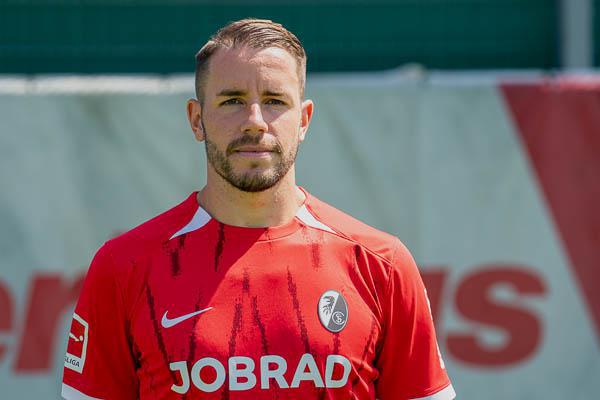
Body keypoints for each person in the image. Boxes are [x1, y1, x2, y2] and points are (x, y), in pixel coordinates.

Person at [61, 18, 455, 400]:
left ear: (303, 120)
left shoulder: (381, 264)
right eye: (232, 100)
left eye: (274, 101)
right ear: (197, 120)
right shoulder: (124, 267)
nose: (255, 121)